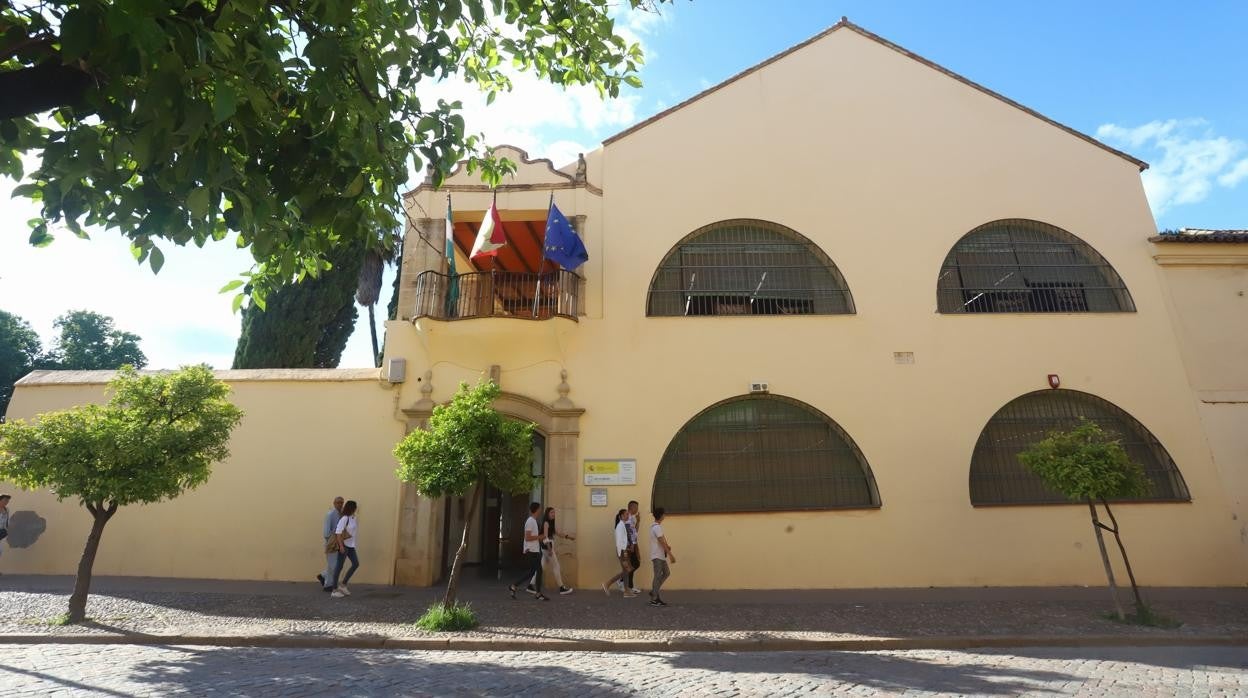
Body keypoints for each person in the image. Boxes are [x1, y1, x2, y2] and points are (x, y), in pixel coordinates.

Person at [527, 507, 574, 595]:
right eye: (551, 512)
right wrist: (549, 549)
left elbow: (558, 533)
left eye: (554, 512)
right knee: (556, 566)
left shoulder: (551, 523)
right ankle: (561, 588)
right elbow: (545, 537)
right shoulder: (546, 523)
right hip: (547, 547)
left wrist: (568, 537)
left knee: (542, 567)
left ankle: (530, 585)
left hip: (547, 548)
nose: (553, 514)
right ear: (547, 514)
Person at [509, 502, 549, 601]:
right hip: (532, 551)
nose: (541, 510)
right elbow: (527, 537)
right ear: (537, 509)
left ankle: (514, 586)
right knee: (538, 571)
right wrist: (540, 537)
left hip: (534, 550)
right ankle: (538, 594)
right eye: (540, 508)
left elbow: (531, 537)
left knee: (532, 572)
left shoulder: (533, 521)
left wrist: (540, 538)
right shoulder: (530, 521)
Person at [602, 508, 637, 597]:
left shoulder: (622, 525)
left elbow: (624, 540)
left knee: (626, 570)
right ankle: (608, 583)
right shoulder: (620, 526)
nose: (627, 516)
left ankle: (626, 591)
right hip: (622, 551)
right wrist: (624, 552)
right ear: (621, 516)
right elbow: (619, 541)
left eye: (627, 514)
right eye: (626, 514)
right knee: (627, 570)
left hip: (624, 550)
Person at [329, 500, 359, 598]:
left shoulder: (353, 518)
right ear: (352, 508)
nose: (356, 509)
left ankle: (343, 585)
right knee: (339, 567)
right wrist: (341, 546)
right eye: (355, 507)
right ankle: (334, 590)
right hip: (344, 545)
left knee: (356, 564)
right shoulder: (344, 518)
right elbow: (338, 533)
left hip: (351, 546)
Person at [649, 507, 675, 607]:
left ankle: (654, 591)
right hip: (657, 556)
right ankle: (654, 599)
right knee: (657, 576)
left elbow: (662, 541)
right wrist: (670, 555)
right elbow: (661, 541)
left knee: (666, 573)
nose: (665, 516)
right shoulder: (656, 527)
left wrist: (667, 547)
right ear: (661, 515)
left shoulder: (656, 527)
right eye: (664, 514)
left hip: (660, 556)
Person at [318, 496, 344, 592]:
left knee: (332, 564)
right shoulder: (330, 514)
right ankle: (333, 585)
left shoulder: (341, 514)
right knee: (335, 565)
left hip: (337, 542)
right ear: (334, 503)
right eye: (338, 502)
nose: (340, 504)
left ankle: (326, 581)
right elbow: (326, 532)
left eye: (341, 502)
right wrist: (331, 540)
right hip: (331, 543)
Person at [624, 500, 641, 594]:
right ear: (632, 507)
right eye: (636, 507)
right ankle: (622, 580)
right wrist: (631, 545)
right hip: (629, 546)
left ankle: (630, 586)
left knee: (634, 564)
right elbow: (628, 533)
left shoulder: (632, 518)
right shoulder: (628, 518)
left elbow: (635, 532)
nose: (637, 510)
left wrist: (638, 521)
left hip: (632, 544)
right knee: (635, 564)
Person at [0, 494, 10, 573]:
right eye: (5, 500)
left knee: (0, 551)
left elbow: (7, 521)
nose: (6, 502)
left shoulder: (6, 510)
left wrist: (7, 530)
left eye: (7, 501)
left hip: (1, 531)